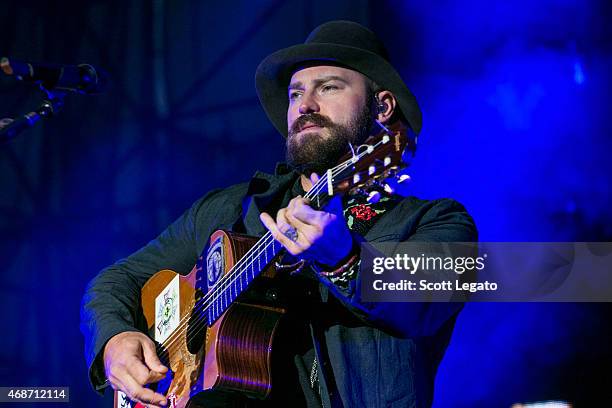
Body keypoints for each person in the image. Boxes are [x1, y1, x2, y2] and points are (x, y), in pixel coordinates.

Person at [80, 20, 477, 408]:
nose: (305, 105)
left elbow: (427, 299)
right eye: (295, 94)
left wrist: (346, 259)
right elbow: (115, 280)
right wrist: (114, 340)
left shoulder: (435, 222)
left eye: (329, 87)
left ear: (383, 106)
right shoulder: (232, 209)